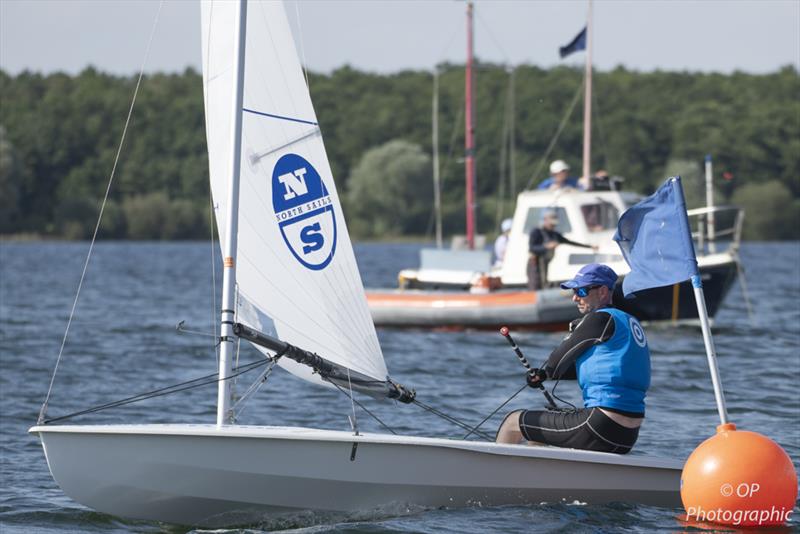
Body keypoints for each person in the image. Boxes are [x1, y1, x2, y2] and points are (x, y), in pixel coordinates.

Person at [496, 263, 651, 454]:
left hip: (599, 425)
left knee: (513, 422)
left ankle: (491, 475)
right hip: (628, 434)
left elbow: (555, 363)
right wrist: (543, 375)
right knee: (541, 426)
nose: (575, 297)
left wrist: (549, 369)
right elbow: (590, 369)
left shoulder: (599, 318)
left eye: (582, 290)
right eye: (574, 291)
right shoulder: (628, 321)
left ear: (602, 291)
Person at [527, 210, 596, 290]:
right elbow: (532, 248)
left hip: (545, 263)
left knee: (543, 284)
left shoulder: (555, 235)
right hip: (535, 264)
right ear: (545, 220)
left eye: (554, 225)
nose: (553, 226)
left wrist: (590, 247)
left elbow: (570, 242)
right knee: (535, 285)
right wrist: (546, 247)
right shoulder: (536, 232)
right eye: (551, 224)